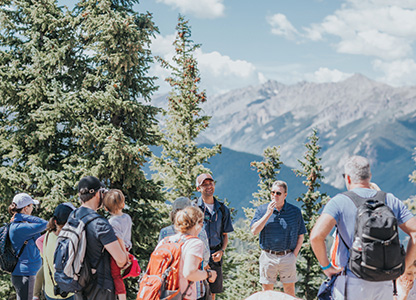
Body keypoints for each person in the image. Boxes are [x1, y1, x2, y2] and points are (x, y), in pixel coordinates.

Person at [310, 155, 416, 300]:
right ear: (369, 176)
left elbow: (316, 237)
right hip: (384, 283)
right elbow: (415, 233)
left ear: (347, 178)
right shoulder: (390, 200)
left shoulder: (339, 201)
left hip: (351, 281)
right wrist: (403, 267)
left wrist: (327, 267)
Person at [74, 176, 128, 300]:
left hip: (78, 284)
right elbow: (121, 260)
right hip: (99, 289)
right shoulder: (100, 224)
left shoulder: (73, 216)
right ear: (98, 194)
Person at [250, 180, 306, 297]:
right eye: (272, 192)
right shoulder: (262, 210)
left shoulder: (295, 212)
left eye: (278, 193)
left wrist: (293, 255)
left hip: (287, 256)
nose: (275, 195)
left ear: (285, 195)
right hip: (268, 256)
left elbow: (301, 235)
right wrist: (267, 214)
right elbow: (254, 231)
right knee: (267, 293)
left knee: (290, 291)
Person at [156, 206, 217, 300]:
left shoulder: (165, 241)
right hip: (183, 295)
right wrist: (209, 274)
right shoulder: (194, 243)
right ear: (198, 224)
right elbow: (190, 273)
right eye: (202, 223)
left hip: (162, 293)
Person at [195, 173, 234, 300]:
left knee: (212, 293)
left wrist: (221, 251)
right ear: (198, 189)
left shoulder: (222, 209)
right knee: (196, 292)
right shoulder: (193, 208)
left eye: (210, 183)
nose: (208, 187)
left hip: (215, 256)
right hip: (197, 257)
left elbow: (225, 235)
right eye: (204, 185)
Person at [8, 193, 48, 300]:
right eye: (31, 206)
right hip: (26, 275)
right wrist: (21, 216)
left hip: (27, 274)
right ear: (26, 208)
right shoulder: (20, 227)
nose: (33, 209)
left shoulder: (23, 225)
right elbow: (45, 223)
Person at [40, 203, 76, 300]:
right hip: (67, 294)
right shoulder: (67, 242)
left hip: (50, 291)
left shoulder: (47, 235)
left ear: (55, 221)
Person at [102, 189, 132, 300]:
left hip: (120, 249)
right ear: (123, 204)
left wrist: (123, 255)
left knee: (116, 276)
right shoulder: (127, 217)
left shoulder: (112, 222)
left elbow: (119, 239)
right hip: (127, 247)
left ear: (106, 208)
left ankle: (122, 297)